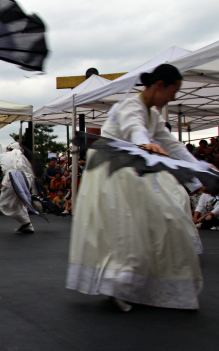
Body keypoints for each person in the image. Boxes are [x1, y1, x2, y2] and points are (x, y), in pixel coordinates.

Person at [66, 64, 204, 312]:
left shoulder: (154, 116)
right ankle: (117, 283)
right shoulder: (130, 105)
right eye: (173, 91)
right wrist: (145, 144)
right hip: (113, 174)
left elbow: (174, 146)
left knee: (163, 222)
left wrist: (201, 172)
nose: (173, 97)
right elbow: (134, 129)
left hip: (135, 171)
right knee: (125, 232)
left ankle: (132, 283)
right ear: (159, 85)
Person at [0, 142, 36, 233]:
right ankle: (28, 226)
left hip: (12, 179)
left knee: (4, 204)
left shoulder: (2, 155)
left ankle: (26, 222)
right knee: (18, 203)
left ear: (9, 149)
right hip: (26, 180)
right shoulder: (22, 157)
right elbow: (31, 172)